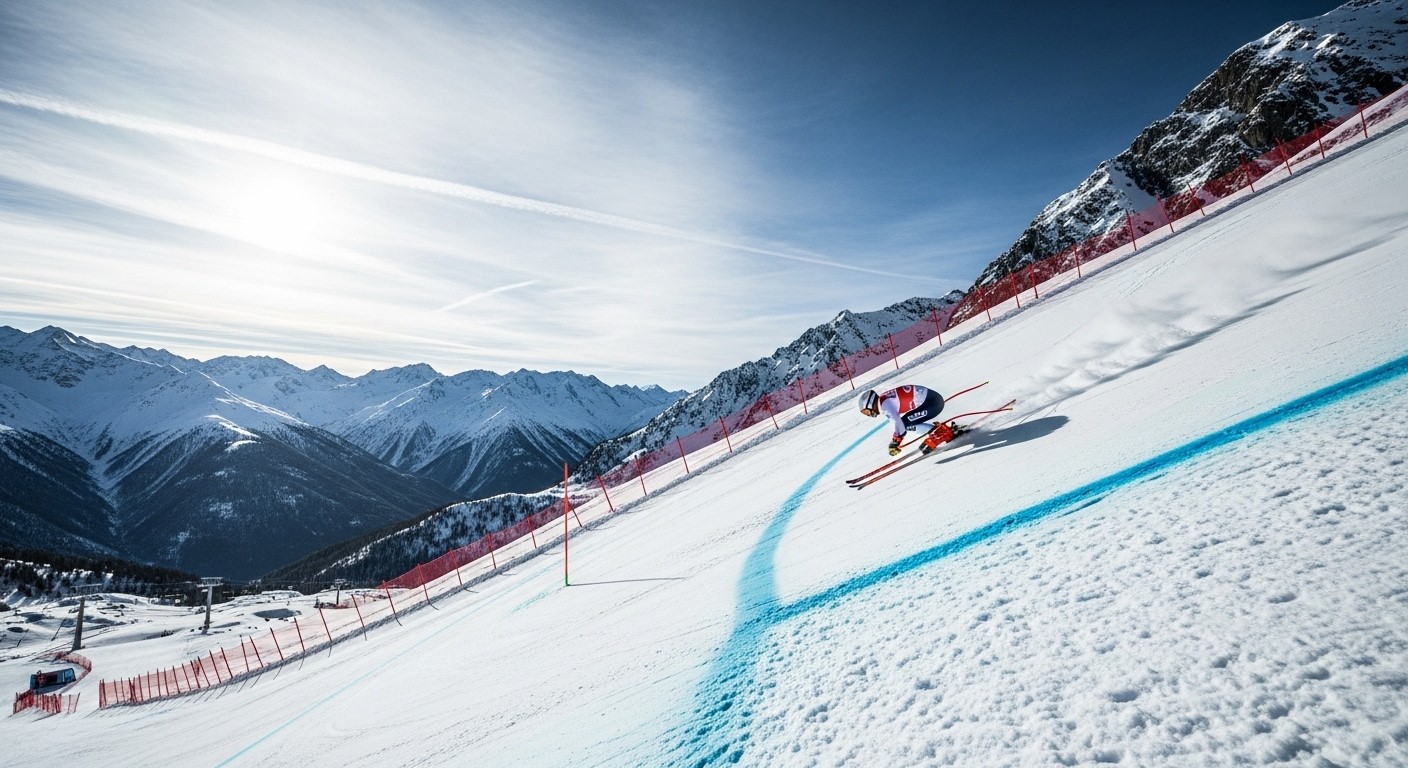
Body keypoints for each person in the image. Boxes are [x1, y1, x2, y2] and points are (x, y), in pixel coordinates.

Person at [858, 384, 961, 455]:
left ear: (870, 403)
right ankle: (940, 431)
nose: (869, 414)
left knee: (906, 423)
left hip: (932, 403)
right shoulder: (884, 399)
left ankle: (942, 432)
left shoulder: (885, 404)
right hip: (932, 401)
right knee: (906, 422)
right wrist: (896, 439)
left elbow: (900, 425)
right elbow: (898, 424)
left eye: (866, 411)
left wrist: (896, 441)